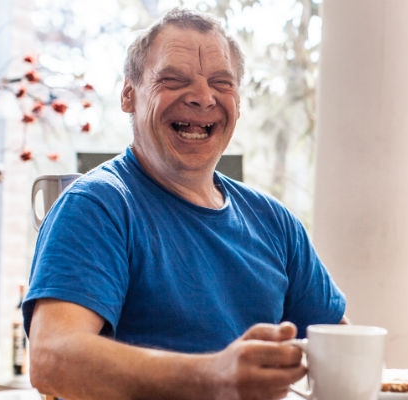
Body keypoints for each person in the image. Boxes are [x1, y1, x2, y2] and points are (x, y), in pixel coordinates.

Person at [23, 8, 346, 400]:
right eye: (173, 80)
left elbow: (341, 347)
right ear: (129, 95)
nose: (202, 97)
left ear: (238, 103)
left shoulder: (275, 222)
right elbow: (52, 360)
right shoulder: (97, 206)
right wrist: (213, 377)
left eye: (221, 83)